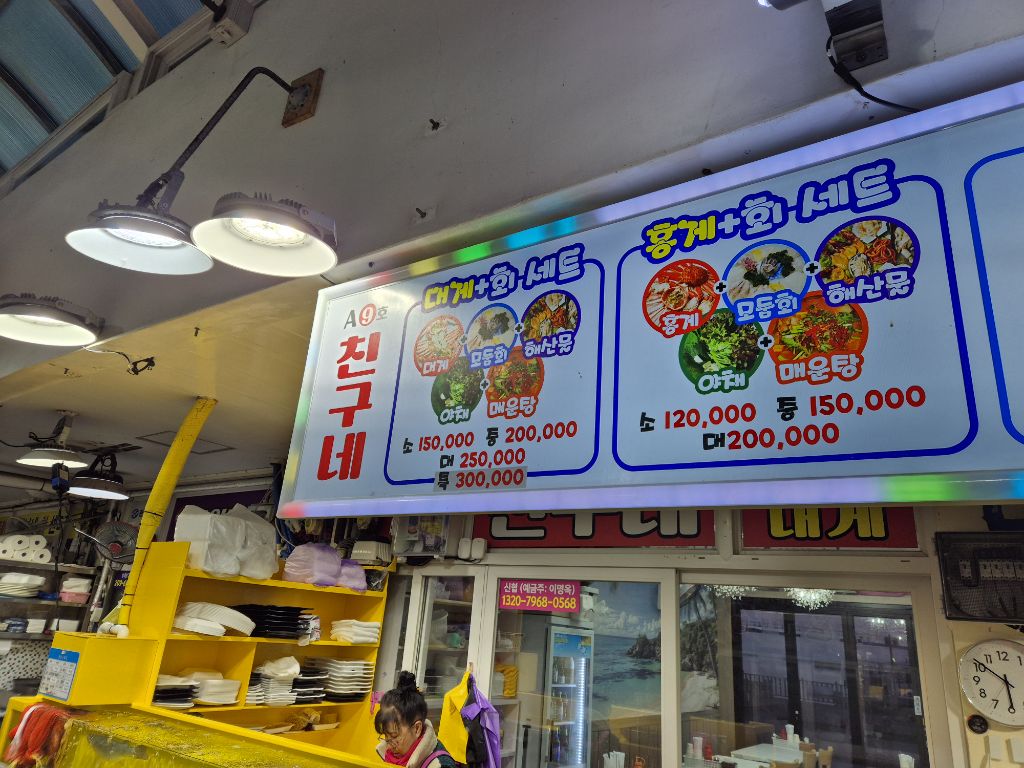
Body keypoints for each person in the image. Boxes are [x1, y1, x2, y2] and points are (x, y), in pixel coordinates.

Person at [375, 672, 458, 768]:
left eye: (394, 736)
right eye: (386, 737)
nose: (389, 746)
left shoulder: (440, 765)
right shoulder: (390, 752)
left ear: (417, 729)